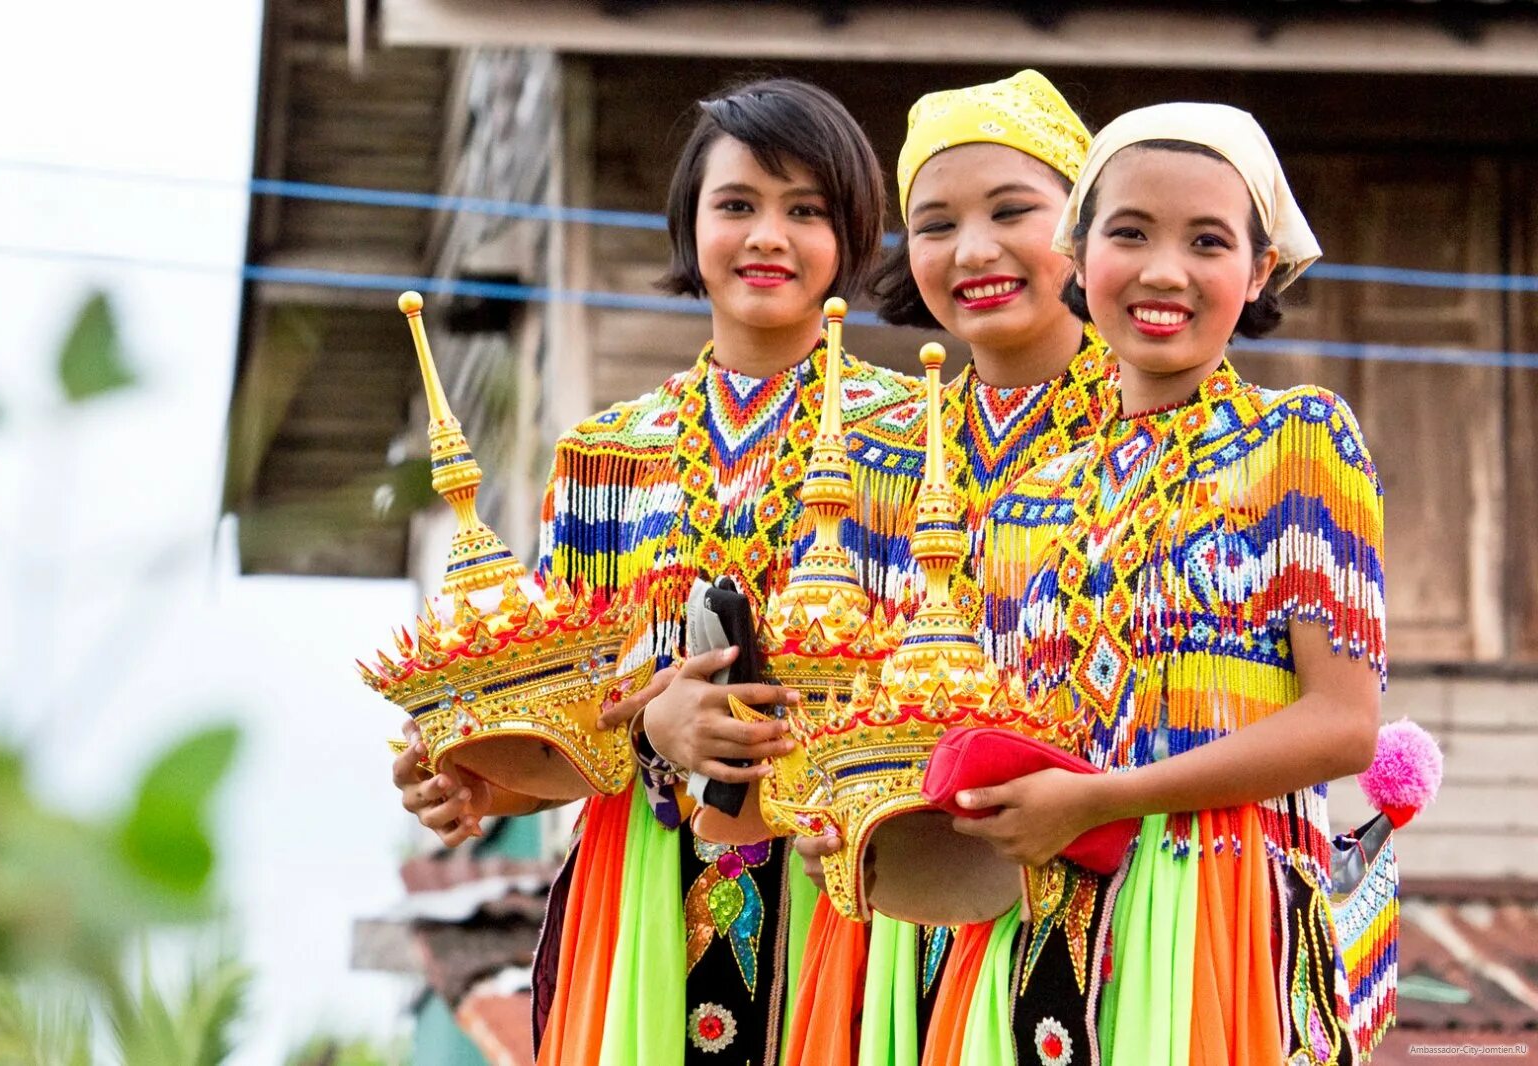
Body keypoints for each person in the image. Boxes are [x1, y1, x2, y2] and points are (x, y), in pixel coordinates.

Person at [393, 78, 921, 1065]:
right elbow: (565, 730)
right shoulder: (603, 456)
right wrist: (482, 780)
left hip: (850, 882)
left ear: (853, 236)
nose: (768, 235)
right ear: (690, 227)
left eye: (805, 209)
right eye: (737, 205)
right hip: (640, 882)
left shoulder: (915, 442)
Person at [950, 102, 1384, 1065]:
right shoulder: (1034, 487)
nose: (1162, 271)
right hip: (1034, 920)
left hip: (1222, 907)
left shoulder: (1297, 440)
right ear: (1080, 252)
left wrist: (1104, 800)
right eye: (1130, 232)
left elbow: (1343, 723)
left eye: (1207, 241)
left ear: (1259, 270)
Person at [784, 71, 1115, 1066]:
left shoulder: (1158, 433)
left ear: (1089, 224)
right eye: (934, 225)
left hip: (1113, 896)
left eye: (1013, 210)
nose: (972, 250)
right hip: (903, 917)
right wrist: (817, 800)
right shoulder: (871, 451)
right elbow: (826, 678)